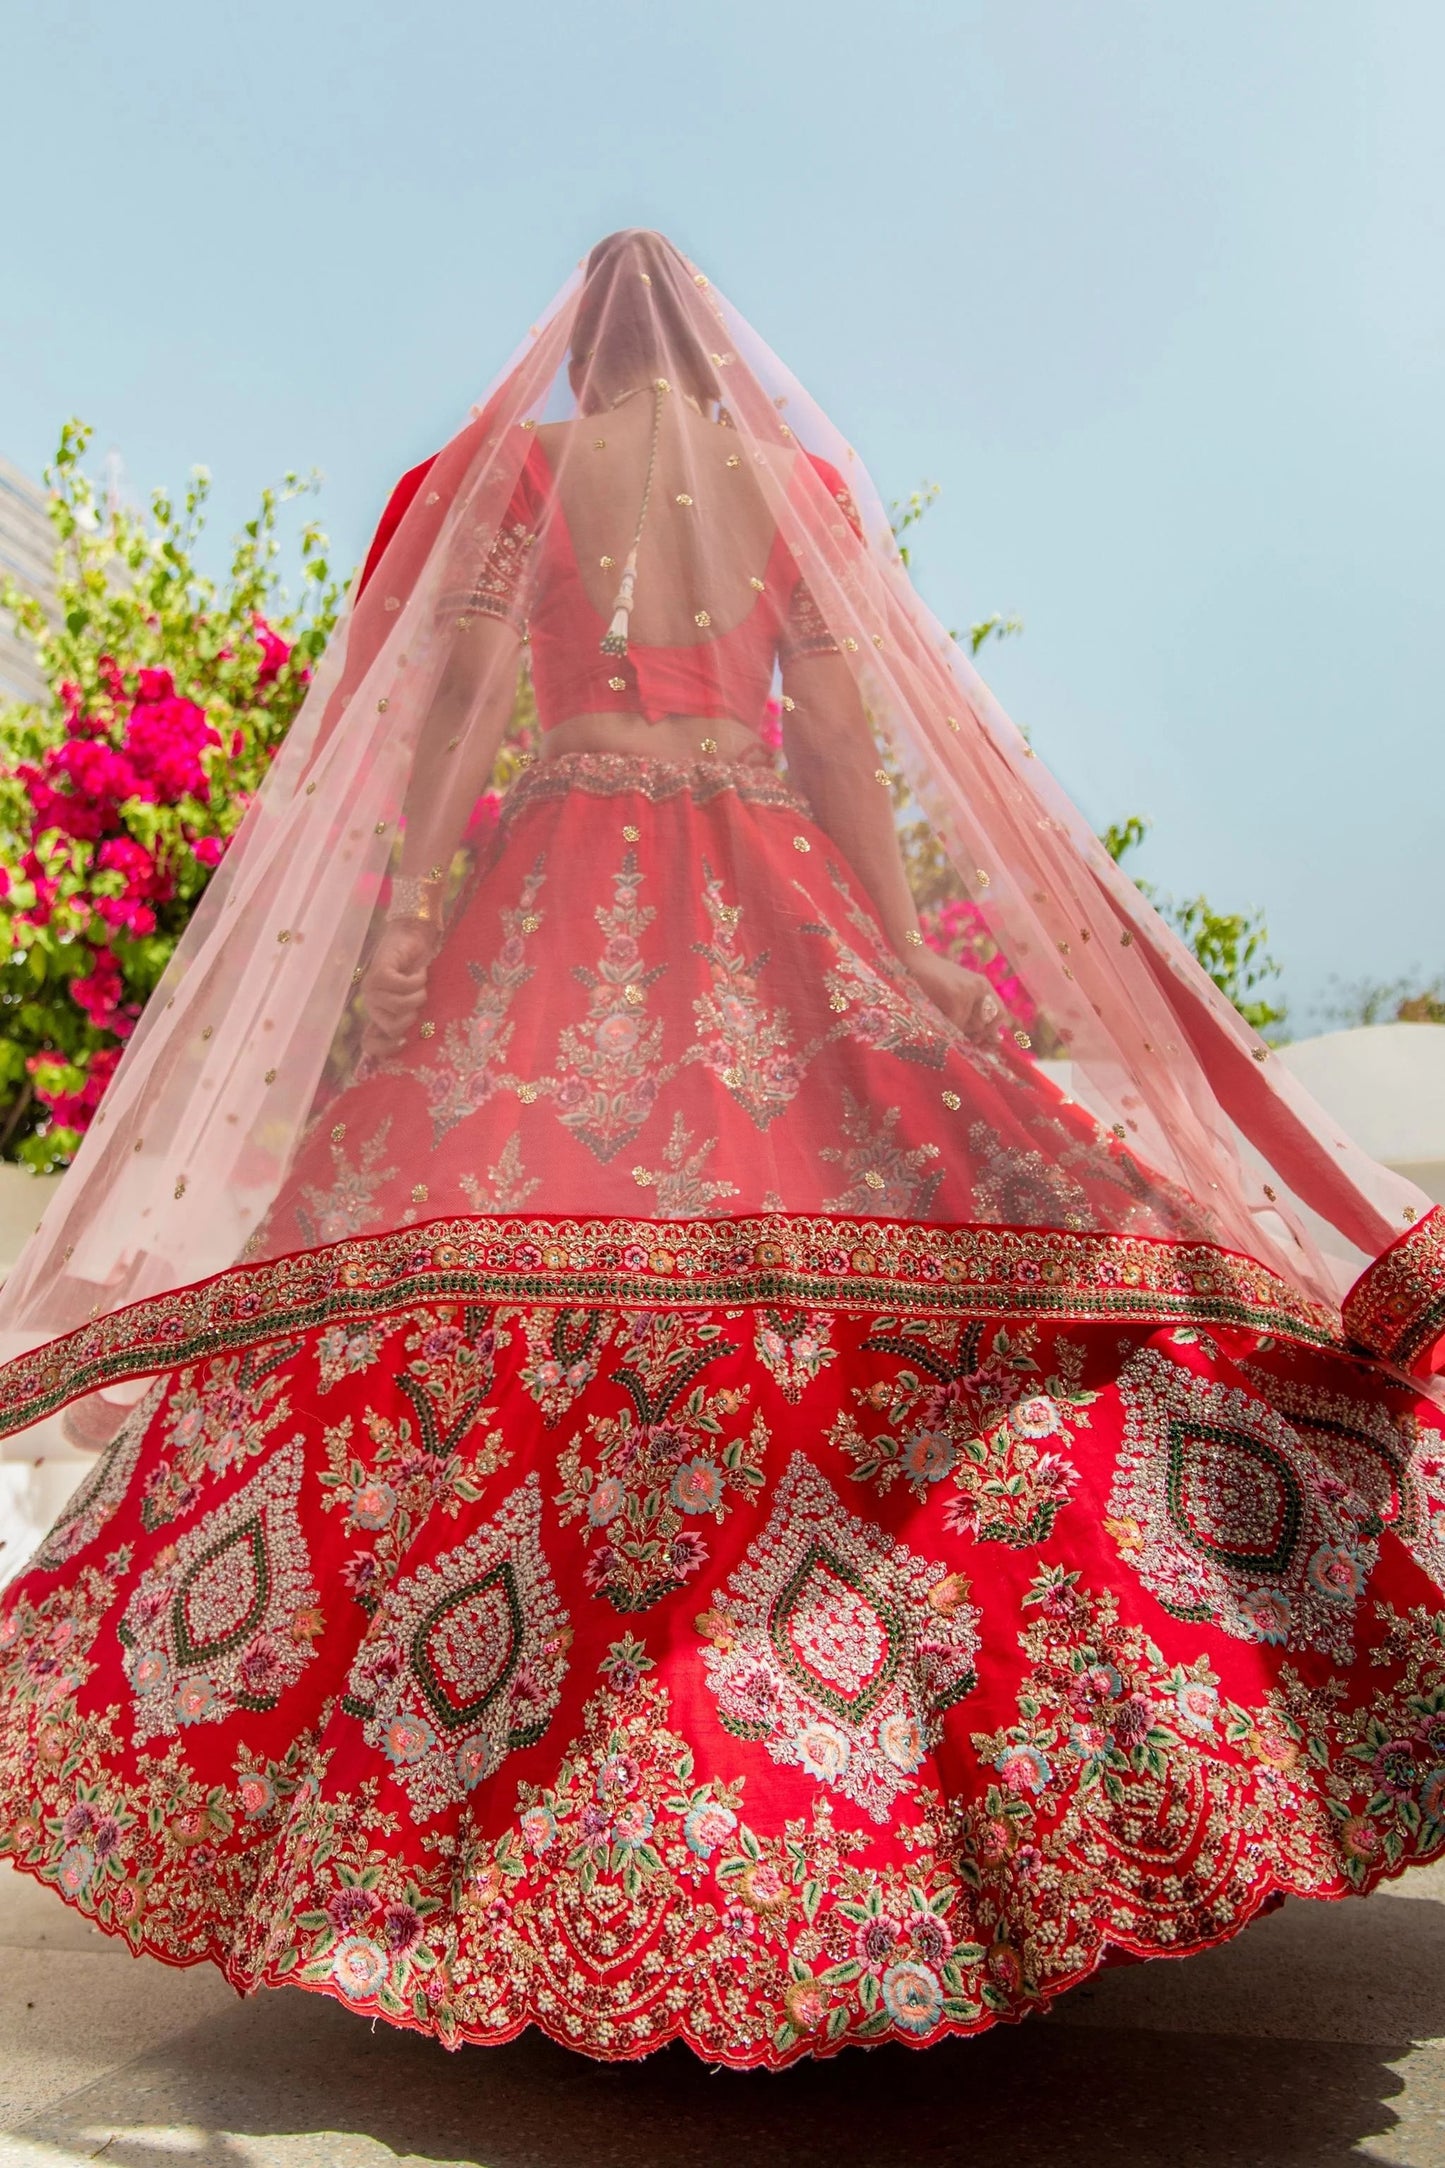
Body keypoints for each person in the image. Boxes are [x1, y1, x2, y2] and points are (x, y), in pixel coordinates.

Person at [0, 229, 1442, 2069]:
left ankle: (485, 1828)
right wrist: (904, 966)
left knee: (450, 1309)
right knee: (895, 1285)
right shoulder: (795, 486)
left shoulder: (499, 477)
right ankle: (893, 1817)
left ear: (583, 363)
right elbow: (838, 733)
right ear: (703, 363)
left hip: (553, 873)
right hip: (763, 881)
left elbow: (439, 750)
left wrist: (396, 958)